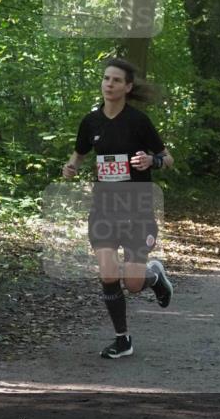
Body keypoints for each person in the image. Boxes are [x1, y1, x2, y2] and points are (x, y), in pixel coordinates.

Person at [63, 57, 174, 359]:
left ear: (127, 87)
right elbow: (80, 153)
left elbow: (168, 158)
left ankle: (153, 277)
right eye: (105, 79)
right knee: (108, 272)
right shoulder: (91, 121)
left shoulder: (138, 121)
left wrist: (152, 161)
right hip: (104, 210)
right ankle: (122, 339)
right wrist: (71, 166)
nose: (109, 84)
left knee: (134, 284)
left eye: (115, 80)